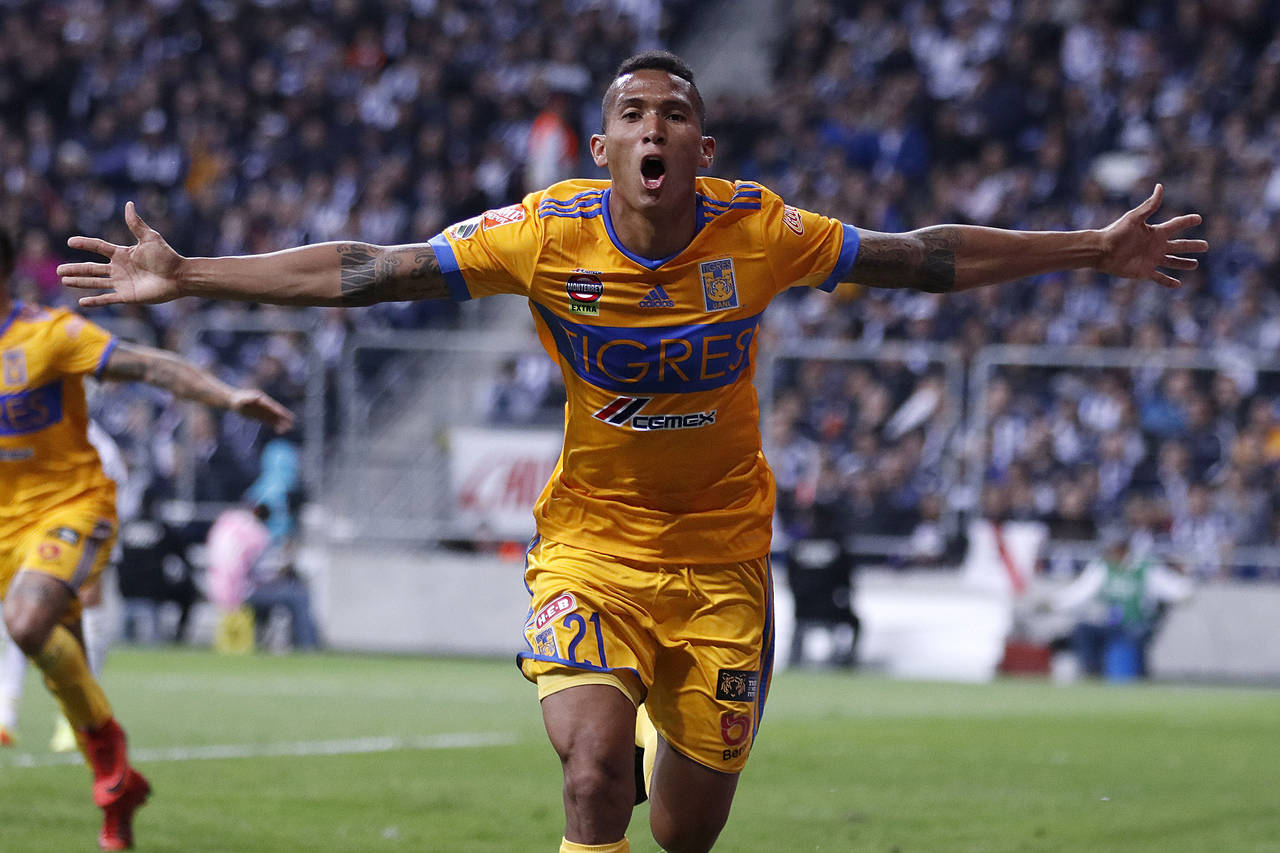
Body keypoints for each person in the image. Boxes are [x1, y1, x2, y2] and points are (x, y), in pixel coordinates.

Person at [59, 50, 1206, 853]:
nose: (652, 127)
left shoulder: (760, 228)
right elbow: (370, 268)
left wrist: (1085, 248)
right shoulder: (541, 232)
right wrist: (194, 272)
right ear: (602, 144)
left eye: (672, 113)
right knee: (593, 777)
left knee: (683, 830)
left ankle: (672, 713)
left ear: (701, 144)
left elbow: (920, 256)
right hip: (590, 549)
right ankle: (624, 719)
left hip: (722, 563)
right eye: (631, 113)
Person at [0, 227, 294, 850]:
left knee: (25, 623)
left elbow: (151, 365)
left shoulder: (50, 335)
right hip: (6, 525)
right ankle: (116, 782)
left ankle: (103, 755)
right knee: (49, 645)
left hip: (71, 505)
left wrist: (227, 396)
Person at [1048, 525, 1193, 679]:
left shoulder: (1144, 567)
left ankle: (1137, 674)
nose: (1110, 552)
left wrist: (1184, 594)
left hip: (1137, 623)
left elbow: (1172, 586)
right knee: (1083, 630)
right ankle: (1091, 672)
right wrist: (1054, 603)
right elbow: (1080, 592)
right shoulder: (1102, 567)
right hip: (1109, 622)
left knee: (1133, 635)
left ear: (1124, 548)